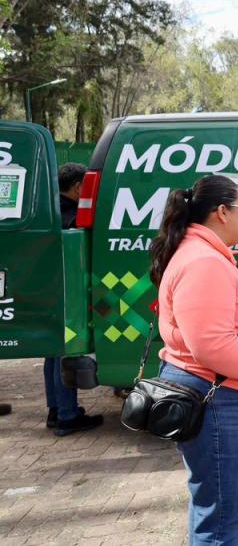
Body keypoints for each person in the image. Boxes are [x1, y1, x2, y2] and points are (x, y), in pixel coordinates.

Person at [150, 174, 238, 546]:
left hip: (222, 398)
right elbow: (212, 345)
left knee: (217, 514)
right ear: (221, 212)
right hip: (223, 403)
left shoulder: (205, 256)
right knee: (223, 522)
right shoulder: (204, 263)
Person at [44, 163, 103, 436]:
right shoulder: (67, 213)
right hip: (66, 291)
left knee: (54, 351)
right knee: (64, 350)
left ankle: (57, 410)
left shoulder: (47, 208)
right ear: (79, 187)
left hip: (50, 288)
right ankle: (67, 415)